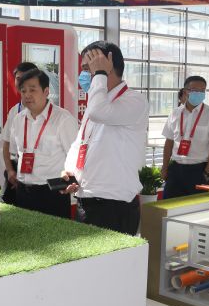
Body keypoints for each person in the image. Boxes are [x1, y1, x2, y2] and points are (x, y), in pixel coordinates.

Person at [62, 41, 149, 236]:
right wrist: (70, 171)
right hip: (86, 200)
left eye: (89, 68)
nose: (84, 74)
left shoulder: (135, 100)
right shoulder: (97, 101)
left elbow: (98, 112)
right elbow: (79, 144)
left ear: (108, 65)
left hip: (115, 206)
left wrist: (100, 73)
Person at [6, 69, 78, 218]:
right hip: (23, 192)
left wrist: (72, 182)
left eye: (32, 90)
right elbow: (14, 151)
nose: (27, 95)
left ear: (46, 91)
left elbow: (75, 158)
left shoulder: (63, 119)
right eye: (23, 90)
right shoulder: (18, 120)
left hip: (52, 194)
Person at [161, 75, 209, 199]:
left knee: (196, 207)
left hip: (199, 170)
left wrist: (207, 171)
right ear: (185, 91)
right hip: (175, 168)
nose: (199, 93)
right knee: (168, 204)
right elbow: (169, 142)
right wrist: (164, 167)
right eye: (195, 90)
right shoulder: (175, 113)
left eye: (202, 90)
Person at [0, 61, 38, 204]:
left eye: (26, 78)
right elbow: (6, 144)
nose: (21, 82)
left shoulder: (51, 112)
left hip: (39, 171)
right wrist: (10, 170)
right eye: (18, 78)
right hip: (16, 168)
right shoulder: (14, 111)